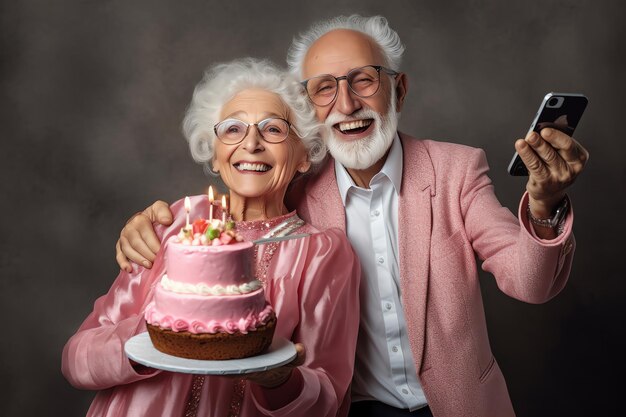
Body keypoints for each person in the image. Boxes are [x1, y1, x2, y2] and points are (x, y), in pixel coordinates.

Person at [114, 15, 589, 417]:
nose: (346, 104)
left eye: (363, 80)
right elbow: (229, 225)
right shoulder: (293, 191)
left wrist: (545, 206)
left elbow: (531, 283)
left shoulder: (455, 171)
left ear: (397, 90)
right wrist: (153, 222)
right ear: (309, 108)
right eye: (324, 89)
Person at [62, 58, 361, 417]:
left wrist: (281, 381)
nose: (251, 143)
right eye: (233, 129)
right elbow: (76, 359)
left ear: (303, 155)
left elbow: (328, 397)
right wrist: (159, 334)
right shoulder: (171, 225)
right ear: (215, 154)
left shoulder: (321, 252)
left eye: (273, 129)